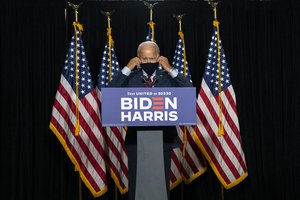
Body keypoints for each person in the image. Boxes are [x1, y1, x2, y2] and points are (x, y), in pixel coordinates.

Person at [109, 41, 192, 200]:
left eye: (152, 59)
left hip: (163, 140)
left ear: (159, 59)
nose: (148, 62)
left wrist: (170, 69)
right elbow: (110, 92)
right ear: (138, 59)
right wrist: (127, 68)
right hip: (136, 140)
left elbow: (188, 89)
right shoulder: (130, 79)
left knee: (160, 183)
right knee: (136, 183)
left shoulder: (168, 79)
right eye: (144, 59)